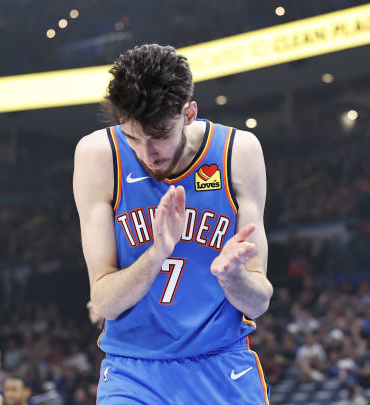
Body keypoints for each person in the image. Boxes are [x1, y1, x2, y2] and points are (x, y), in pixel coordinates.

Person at [73, 44, 273, 404]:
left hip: (222, 365)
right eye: (133, 137)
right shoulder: (98, 156)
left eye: (160, 136)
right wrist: (157, 253)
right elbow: (104, 302)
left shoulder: (237, 152)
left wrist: (232, 276)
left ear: (189, 112)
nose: (147, 154)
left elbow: (258, 303)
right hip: (133, 371)